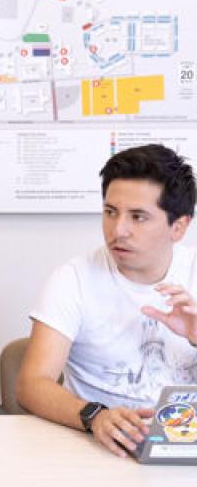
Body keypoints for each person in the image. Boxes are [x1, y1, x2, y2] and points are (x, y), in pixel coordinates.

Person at [18, 144, 197, 458]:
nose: (118, 231)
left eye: (138, 217)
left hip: (185, 446)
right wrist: (94, 416)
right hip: (99, 448)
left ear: (178, 227)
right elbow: (32, 384)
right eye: (110, 212)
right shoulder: (72, 279)